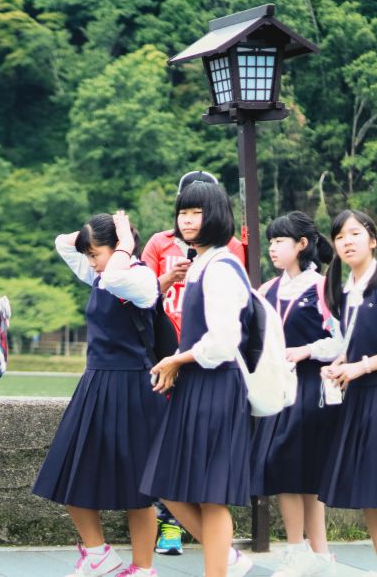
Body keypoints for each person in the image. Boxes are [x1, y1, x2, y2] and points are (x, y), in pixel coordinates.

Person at [33, 211, 163, 577]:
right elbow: (62, 242)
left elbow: (118, 275)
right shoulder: (99, 274)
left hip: (133, 386)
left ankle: (143, 568)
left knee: (138, 491)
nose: (91, 262)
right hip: (96, 384)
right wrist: (99, 232)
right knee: (68, 471)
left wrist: (124, 244)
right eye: (88, 255)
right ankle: (98, 553)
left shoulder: (137, 277)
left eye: (96, 253)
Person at [140, 181, 255, 577]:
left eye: (196, 212)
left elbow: (224, 341)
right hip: (196, 385)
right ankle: (228, 560)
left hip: (217, 386)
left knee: (211, 496)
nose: (187, 220)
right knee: (168, 487)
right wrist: (179, 364)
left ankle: (219, 569)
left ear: (216, 215)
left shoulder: (222, 266)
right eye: (183, 213)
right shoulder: (202, 263)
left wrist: (176, 360)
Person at [250, 212, 339, 577]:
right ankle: (316, 555)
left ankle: (299, 550)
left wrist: (306, 351)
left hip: (310, 386)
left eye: (280, 241)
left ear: (302, 245)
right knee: (292, 469)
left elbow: (341, 339)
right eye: (270, 241)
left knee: (292, 467)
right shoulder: (267, 290)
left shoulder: (322, 287)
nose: (272, 248)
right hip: (277, 388)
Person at [319, 210, 377, 555]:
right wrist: (341, 362)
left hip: (371, 392)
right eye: (340, 237)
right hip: (360, 400)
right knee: (370, 493)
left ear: (372, 240)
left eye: (354, 234)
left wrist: (361, 367)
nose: (346, 242)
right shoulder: (344, 290)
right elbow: (353, 340)